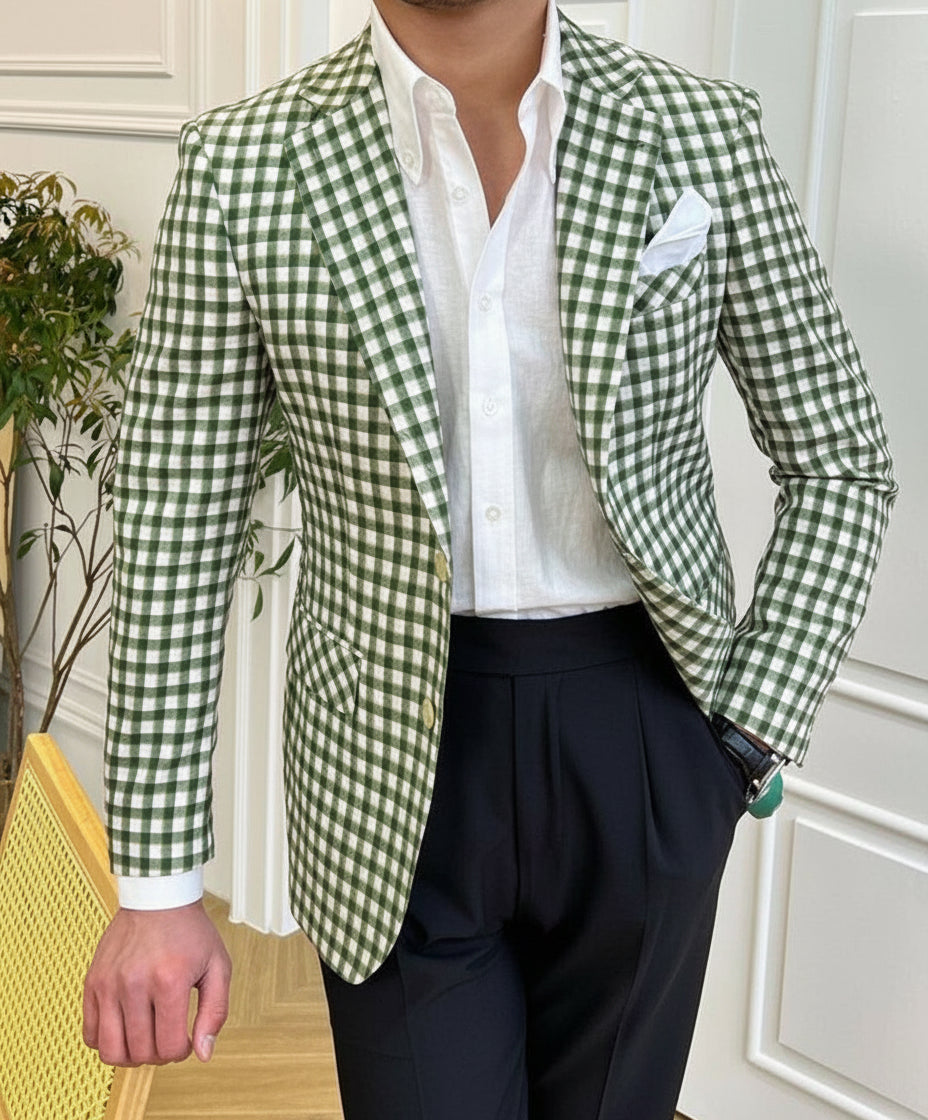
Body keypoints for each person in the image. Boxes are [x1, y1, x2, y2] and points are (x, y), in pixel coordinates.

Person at [82, 0, 897, 1116]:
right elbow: (178, 517)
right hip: (383, 761)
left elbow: (840, 458)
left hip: (649, 733)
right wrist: (160, 882)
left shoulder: (700, 127)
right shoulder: (248, 160)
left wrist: (746, 731)